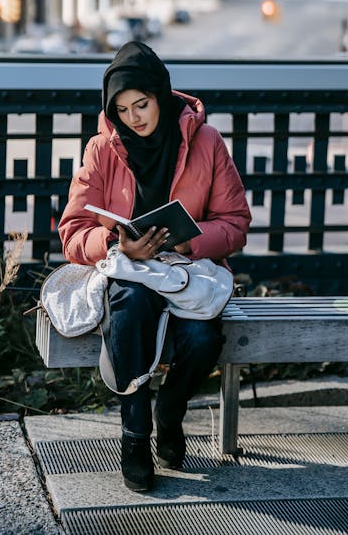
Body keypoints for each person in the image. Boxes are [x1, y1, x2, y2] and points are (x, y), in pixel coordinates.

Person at [58, 42, 251, 492]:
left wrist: (190, 240)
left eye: (142, 104)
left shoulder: (206, 141)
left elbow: (236, 223)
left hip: (188, 269)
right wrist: (114, 241)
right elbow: (72, 231)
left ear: (162, 95)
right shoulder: (102, 149)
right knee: (129, 307)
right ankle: (135, 437)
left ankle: (170, 409)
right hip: (130, 271)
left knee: (204, 337)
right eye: (122, 109)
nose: (134, 118)